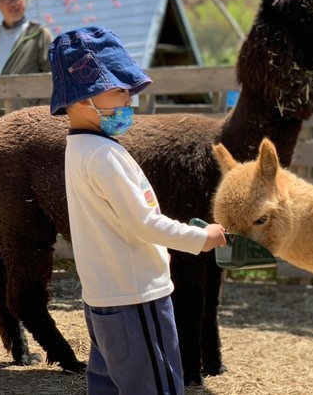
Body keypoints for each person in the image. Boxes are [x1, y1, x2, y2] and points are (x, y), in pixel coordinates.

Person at [49, 26, 227, 395]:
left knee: (111, 385)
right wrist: (202, 238)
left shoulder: (80, 149)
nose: (128, 102)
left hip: (104, 299)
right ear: (84, 98)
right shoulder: (103, 156)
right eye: (120, 92)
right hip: (137, 299)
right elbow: (144, 223)